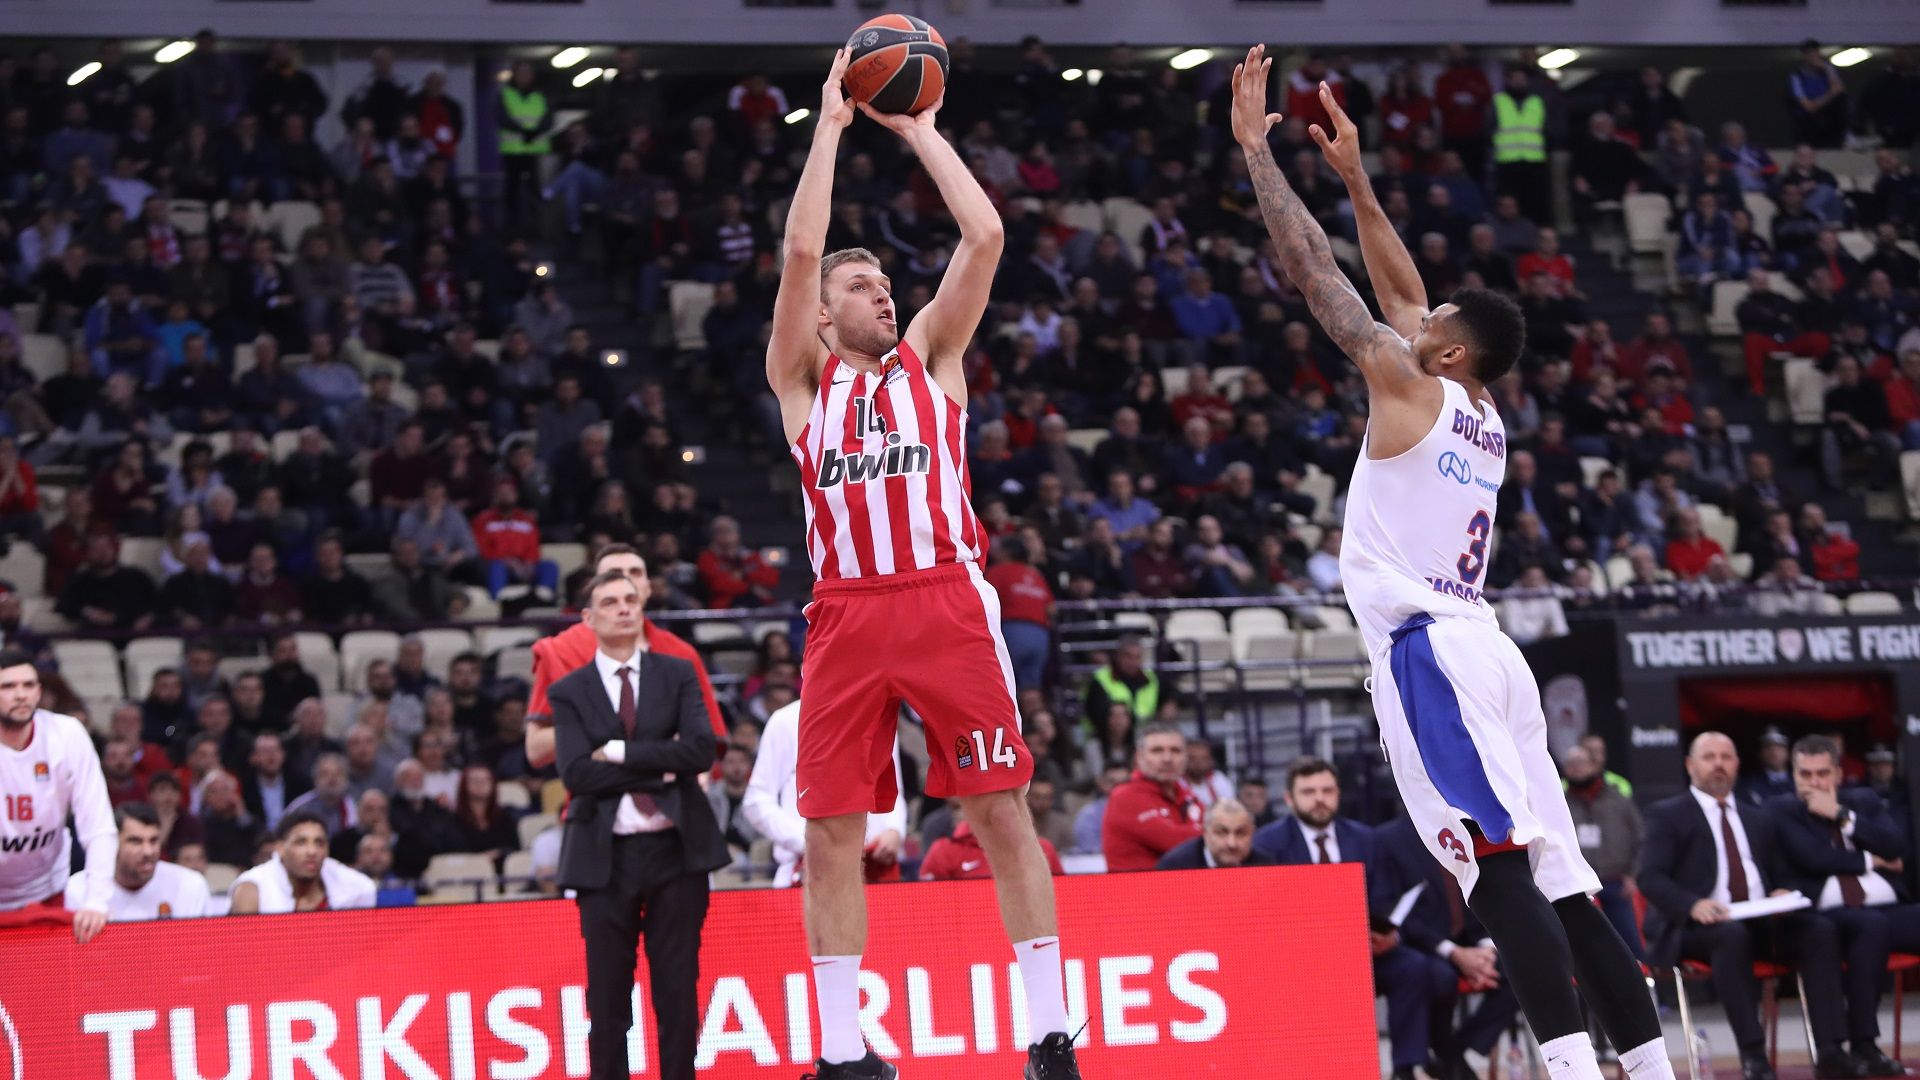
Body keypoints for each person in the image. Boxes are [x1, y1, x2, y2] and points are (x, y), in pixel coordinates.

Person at [1237, 59, 1669, 1078]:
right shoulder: (1482, 410)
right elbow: (1402, 290)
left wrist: (1258, 151)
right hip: (1492, 651)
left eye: (1429, 328)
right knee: (1568, 885)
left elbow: (1314, 272)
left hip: (1432, 652)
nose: (1414, 320)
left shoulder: (1405, 380)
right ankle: (1651, 1069)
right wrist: (1356, 178)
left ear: (1445, 355)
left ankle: (1572, 1070)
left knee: (1498, 876)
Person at [765, 50, 1076, 1080]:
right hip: (845, 612)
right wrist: (830, 128)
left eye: (888, 283)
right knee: (829, 829)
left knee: (999, 811)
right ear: (824, 314)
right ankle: (841, 1053)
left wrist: (922, 132)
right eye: (862, 286)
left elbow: (985, 236)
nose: (884, 296)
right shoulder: (801, 380)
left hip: (945, 599)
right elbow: (800, 249)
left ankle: (1050, 1034)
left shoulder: (933, 359)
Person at [551, 570, 725, 1080]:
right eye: (610, 601)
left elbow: (700, 751)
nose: (624, 608)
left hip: (676, 851)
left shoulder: (678, 673)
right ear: (588, 618)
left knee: (677, 991)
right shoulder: (569, 691)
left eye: (631, 599)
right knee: (607, 998)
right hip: (605, 858)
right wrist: (662, 764)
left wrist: (620, 753)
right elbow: (577, 774)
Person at [1638, 733, 1857, 1080]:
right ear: (1690, 765)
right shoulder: (1668, 815)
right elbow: (1649, 877)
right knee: (1730, 935)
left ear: (1737, 764)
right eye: (1709, 757)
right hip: (1697, 927)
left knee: (1819, 929)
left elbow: (1783, 872)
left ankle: (1831, 1050)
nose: (1719, 764)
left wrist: (1784, 891)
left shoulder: (1758, 817)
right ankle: (1754, 1054)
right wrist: (1693, 904)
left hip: (1759, 920)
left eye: (1726, 756)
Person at [1766, 735, 1916, 1076]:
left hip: (1886, 905)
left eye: (1822, 774)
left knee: (1878, 924)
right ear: (1794, 775)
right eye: (1805, 775)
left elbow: (1897, 846)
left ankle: (1864, 1044)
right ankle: (1864, 1043)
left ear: (1837, 773)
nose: (1814, 783)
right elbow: (1812, 857)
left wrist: (1842, 815)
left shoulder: (1862, 801)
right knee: (1870, 926)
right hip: (1829, 912)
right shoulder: (1782, 809)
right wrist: (1871, 860)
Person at [523, 544, 728, 770]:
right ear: (594, 589)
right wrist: (609, 728)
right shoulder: (560, 650)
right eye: (614, 574)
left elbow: (708, 744)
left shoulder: (681, 654)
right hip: (592, 785)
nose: (626, 580)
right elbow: (536, 750)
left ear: (648, 587)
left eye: (635, 573)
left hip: (669, 786)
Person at [0, 649, 116, 942]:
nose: (21, 695)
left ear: (39, 691)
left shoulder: (67, 734)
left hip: (47, 887)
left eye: (28, 685)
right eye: (8, 686)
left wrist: (97, 899)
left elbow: (97, 822)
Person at [742, 700, 907, 889]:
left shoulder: (877, 716)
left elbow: (892, 789)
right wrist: (807, 839)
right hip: (807, 868)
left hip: (873, 866)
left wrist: (894, 829)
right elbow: (756, 799)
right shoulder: (785, 720)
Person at [1560, 744, 1646, 961]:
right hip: (1577, 887)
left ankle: (1640, 981)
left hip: (1616, 884)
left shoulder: (1619, 799)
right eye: (1571, 764)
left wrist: (1633, 876)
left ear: (1594, 765)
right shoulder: (1558, 802)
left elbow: (1641, 839)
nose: (1576, 768)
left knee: (1630, 946)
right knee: (1585, 950)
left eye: (1582, 763)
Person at [64, 802, 210, 920]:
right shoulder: (78, 889)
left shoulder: (189, 886)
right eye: (135, 841)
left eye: (153, 840)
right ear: (112, 844)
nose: (148, 852)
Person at [228, 808, 377, 914]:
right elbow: (242, 948)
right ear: (280, 848)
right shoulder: (252, 889)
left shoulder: (355, 888)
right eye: (301, 842)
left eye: (319, 843)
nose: (312, 851)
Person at [1102, 723, 1203, 871]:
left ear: (1186, 757)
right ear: (1139, 757)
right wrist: (1209, 833)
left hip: (1184, 883)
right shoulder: (1124, 796)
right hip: (1137, 885)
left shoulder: (1188, 795)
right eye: (1157, 751)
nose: (1167, 758)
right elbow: (1174, 842)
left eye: (1175, 751)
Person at [1157, 798, 1272, 870]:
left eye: (1241, 833)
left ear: (1252, 833)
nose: (1232, 843)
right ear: (1205, 833)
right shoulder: (1175, 866)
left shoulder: (1265, 866)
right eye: (1221, 833)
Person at [1739, 727, 1796, 806]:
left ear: (1789, 752)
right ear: (1760, 753)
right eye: (1768, 747)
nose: (1773, 751)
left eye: (1779, 746)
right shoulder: (1748, 785)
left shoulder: (1800, 781)